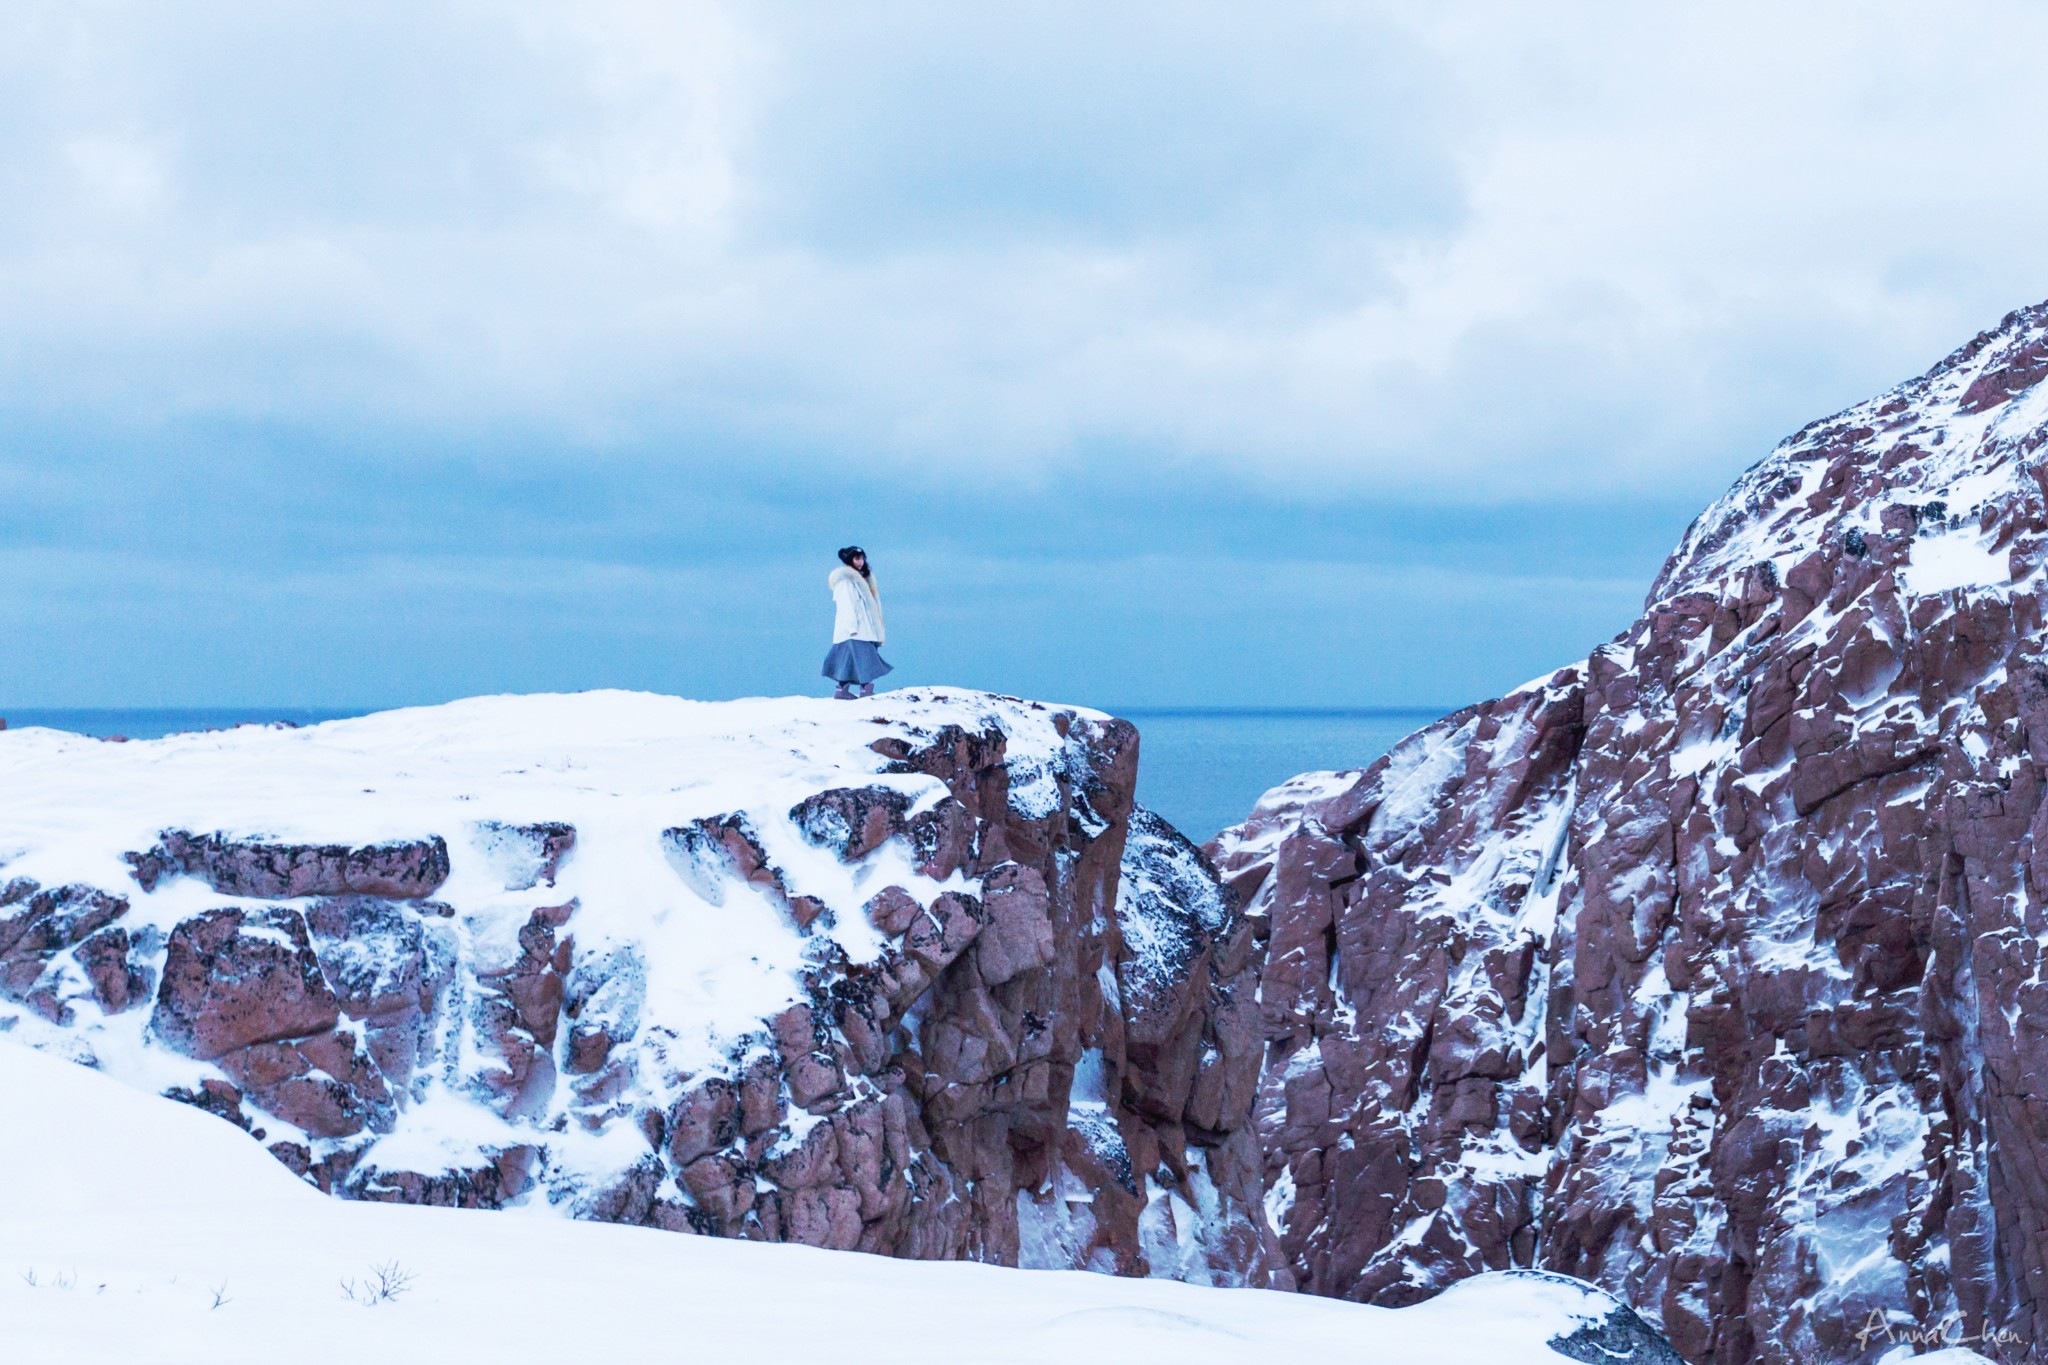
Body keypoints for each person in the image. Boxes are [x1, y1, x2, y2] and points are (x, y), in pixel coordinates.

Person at [822, 545, 892, 699]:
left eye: (862, 558)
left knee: (847, 660)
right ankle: (866, 689)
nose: (861, 562)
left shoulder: (861, 580)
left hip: (862, 628)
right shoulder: (846, 581)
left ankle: (842, 690)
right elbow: (846, 605)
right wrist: (852, 627)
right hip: (855, 629)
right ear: (850, 560)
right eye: (857, 558)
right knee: (865, 659)